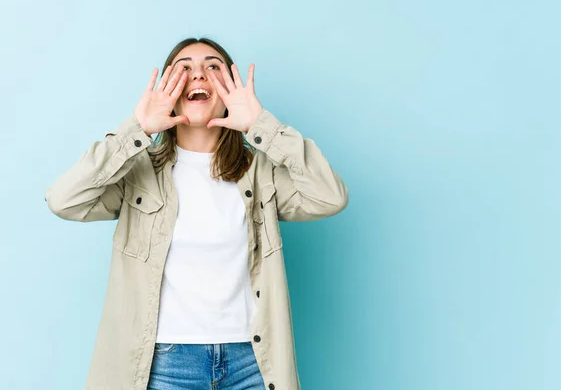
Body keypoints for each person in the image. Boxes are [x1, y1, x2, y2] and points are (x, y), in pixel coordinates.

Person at [45, 37, 348, 390]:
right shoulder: (138, 173)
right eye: (184, 68)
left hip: (252, 362)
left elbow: (330, 196)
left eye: (213, 67)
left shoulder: (261, 172)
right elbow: (64, 200)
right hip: (165, 363)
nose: (199, 74)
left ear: (230, 90)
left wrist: (262, 125)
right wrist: (136, 129)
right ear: (169, 90)